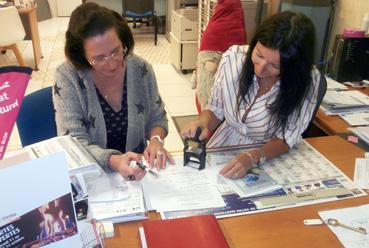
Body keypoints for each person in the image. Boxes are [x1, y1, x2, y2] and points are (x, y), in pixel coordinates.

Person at [181, 11, 321, 179]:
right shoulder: (234, 58)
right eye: (259, 55)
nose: (260, 69)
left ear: (294, 67)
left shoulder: (308, 80)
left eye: (275, 66)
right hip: (225, 145)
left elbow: (286, 138)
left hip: (270, 153)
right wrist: (202, 123)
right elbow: (215, 110)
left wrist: (253, 156)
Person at [53, 3, 173, 181]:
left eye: (116, 51)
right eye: (99, 58)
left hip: (138, 174)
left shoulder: (141, 69)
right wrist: (114, 161)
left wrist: (156, 140)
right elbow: (74, 142)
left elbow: (157, 117)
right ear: (81, 55)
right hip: (93, 176)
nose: (112, 64)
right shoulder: (67, 76)